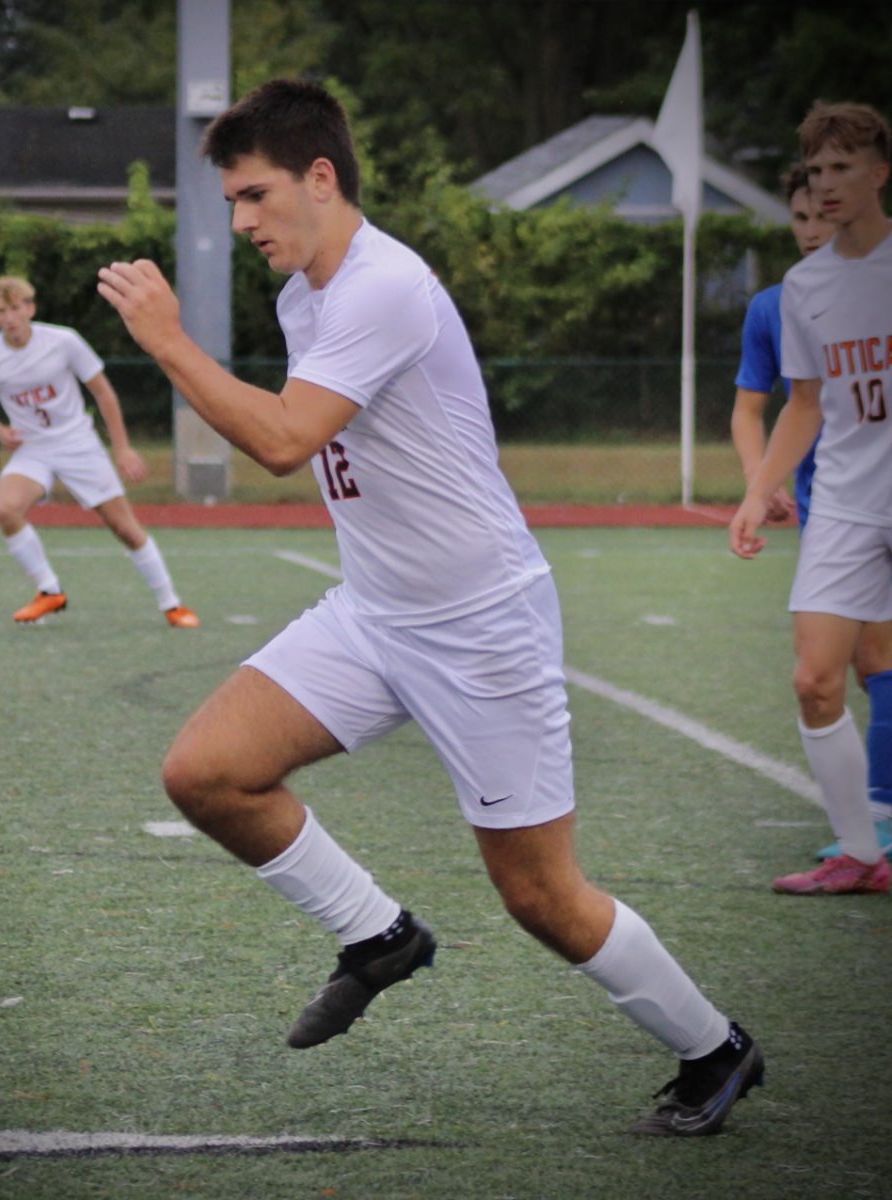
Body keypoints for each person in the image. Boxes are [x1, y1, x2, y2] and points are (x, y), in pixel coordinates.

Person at [98, 79, 762, 1135]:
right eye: (232, 203)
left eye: (256, 195)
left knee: (542, 896)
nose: (242, 223)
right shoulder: (302, 297)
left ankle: (715, 1049)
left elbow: (280, 442)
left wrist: (169, 342)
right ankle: (379, 936)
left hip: (481, 625)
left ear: (322, 177)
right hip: (374, 613)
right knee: (206, 772)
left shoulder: (383, 286)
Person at [730, 100, 892, 895]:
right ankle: (862, 854)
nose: (826, 185)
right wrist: (758, 493)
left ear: (880, 174)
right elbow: (802, 405)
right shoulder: (804, 288)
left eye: (842, 168)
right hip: (849, 503)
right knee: (816, 680)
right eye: (817, 169)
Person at [0, 275, 199, 628]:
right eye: (0, 311)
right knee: (6, 509)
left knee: (125, 528)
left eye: (15, 308)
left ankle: (172, 604)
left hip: (78, 444)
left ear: (30, 308)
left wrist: (123, 448)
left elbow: (103, 392)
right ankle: (49, 591)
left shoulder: (63, 341)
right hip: (33, 450)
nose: (9, 317)